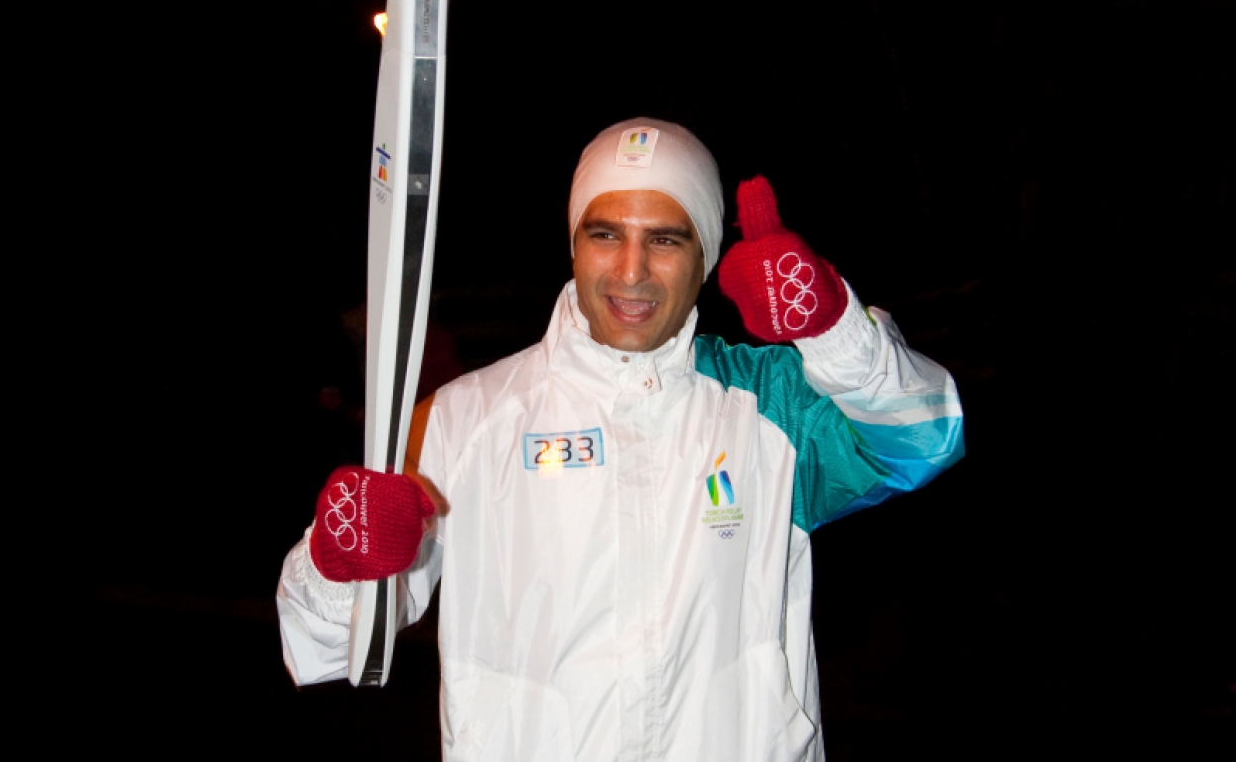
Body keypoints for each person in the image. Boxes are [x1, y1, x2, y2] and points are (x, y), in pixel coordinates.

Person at [277, 118, 966, 761]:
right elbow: (328, 646)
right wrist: (335, 568)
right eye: (605, 234)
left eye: (666, 239)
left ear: (707, 256)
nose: (631, 270)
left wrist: (832, 328)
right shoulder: (462, 422)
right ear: (574, 243)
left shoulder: (768, 408)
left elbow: (924, 436)